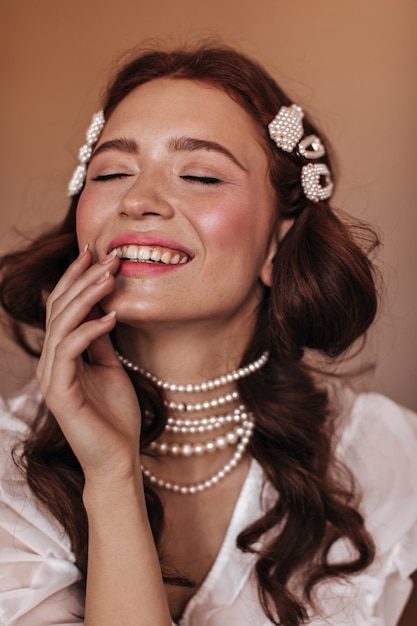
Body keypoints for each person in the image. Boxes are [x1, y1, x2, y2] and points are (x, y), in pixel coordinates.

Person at [0, 41, 416, 626]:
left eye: (198, 174)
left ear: (278, 241)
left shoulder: (389, 457)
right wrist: (111, 478)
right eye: (111, 172)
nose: (138, 201)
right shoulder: (5, 468)